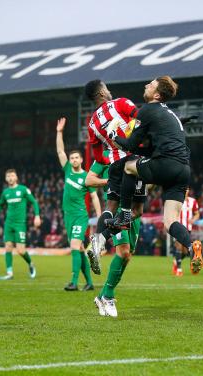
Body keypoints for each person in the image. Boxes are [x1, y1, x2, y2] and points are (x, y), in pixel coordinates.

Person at [106, 76, 203, 274]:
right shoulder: (169, 114)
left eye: (150, 85)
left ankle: (124, 215)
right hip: (183, 170)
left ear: (157, 95)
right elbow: (149, 149)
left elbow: (131, 145)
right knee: (170, 222)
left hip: (166, 164)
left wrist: (114, 135)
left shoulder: (148, 109)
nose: (146, 85)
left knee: (128, 167)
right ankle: (192, 246)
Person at [83, 79, 148, 274]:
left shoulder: (92, 123)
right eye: (106, 88)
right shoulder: (120, 103)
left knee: (110, 207)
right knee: (136, 210)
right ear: (102, 92)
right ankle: (103, 239)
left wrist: (111, 152)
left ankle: (97, 242)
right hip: (133, 162)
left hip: (114, 164)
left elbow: (96, 157)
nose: (109, 90)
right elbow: (141, 119)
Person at [84, 153, 142, 317]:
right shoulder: (106, 154)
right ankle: (108, 296)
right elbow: (89, 180)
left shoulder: (137, 154)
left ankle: (101, 296)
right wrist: (112, 182)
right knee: (122, 251)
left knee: (127, 256)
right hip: (116, 208)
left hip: (134, 210)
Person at [56, 117, 102, 291]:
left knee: (74, 246)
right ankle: (89, 283)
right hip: (68, 215)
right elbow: (60, 151)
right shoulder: (67, 170)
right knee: (80, 248)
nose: (74, 160)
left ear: (81, 160)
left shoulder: (87, 177)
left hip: (80, 215)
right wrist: (59, 132)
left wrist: (99, 215)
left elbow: (95, 197)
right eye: (72, 158)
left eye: (76, 158)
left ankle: (74, 282)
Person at [0, 169, 41, 280]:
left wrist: (37, 215)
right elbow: (0, 206)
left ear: (16, 178)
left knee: (20, 250)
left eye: (12, 176)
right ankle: (9, 273)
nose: (10, 178)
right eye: (8, 176)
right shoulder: (5, 193)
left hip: (20, 224)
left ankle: (30, 264)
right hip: (8, 224)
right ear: (6, 179)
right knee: (8, 247)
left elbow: (34, 202)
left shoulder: (23, 189)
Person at [172, 188, 200, 276]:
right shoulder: (176, 201)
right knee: (179, 246)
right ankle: (179, 269)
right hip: (178, 227)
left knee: (185, 252)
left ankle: (176, 261)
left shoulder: (193, 201)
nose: (185, 191)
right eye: (184, 189)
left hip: (188, 229)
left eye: (187, 189)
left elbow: (197, 213)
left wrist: (193, 219)